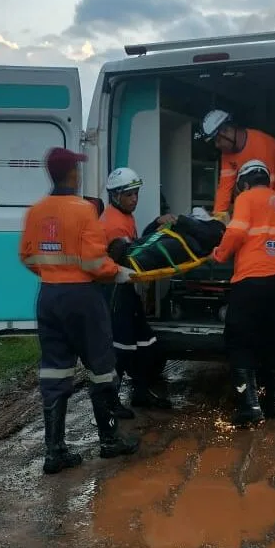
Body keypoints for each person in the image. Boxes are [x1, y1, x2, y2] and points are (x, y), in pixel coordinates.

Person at [19, 147, 139, 474]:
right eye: (77, 169)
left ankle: (55, 451)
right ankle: (110, 442)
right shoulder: (84, 211)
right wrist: (117, 272)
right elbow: (94, 262)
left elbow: (27, 256)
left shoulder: (36, 211)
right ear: (72, 173)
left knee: (55, 371)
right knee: (101, 366)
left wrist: (52, 274)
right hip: (82, 298)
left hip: (49, 296)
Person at [210, 159, 275, 427]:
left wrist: (220, 254)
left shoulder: (247, 198)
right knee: (274, 339)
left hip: (253, 279)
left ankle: (250, 406)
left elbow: (236, 234)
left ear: (244, 183)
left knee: (239, 340)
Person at [101, 167, 174, 415]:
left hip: (126, 289)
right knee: (121, 348)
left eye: (136, 193)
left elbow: (138, 245)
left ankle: (141, 393)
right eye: (129, 194)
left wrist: (155, 224)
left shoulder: (124, 216)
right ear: (115, 196)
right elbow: (133, 255)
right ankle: (110, 403)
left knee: (147, 343)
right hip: (114, 292)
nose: (135, 199)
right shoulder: (112, 224)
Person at [201, 108, 275, 244]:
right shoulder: (227, 154)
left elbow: (267, 192)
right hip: (270, 189)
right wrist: (217, 220)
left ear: (227, 132)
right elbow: (224, 188)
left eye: (217, 141)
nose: (217, 146)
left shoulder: (261, 145)